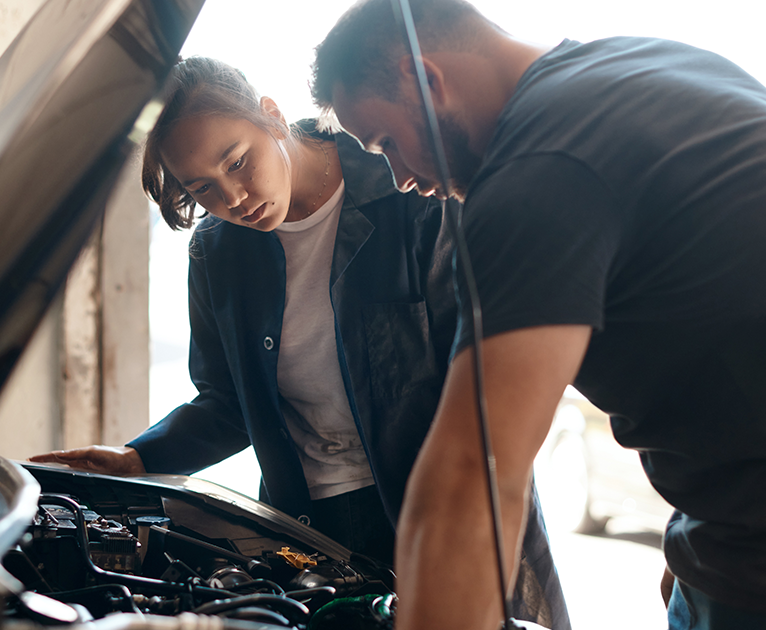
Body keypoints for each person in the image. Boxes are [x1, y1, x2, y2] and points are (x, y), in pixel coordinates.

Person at [309, 2, 766, 630]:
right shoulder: (637, 67)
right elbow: (745, 304)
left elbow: (472, 479)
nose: (398, 178)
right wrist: (690, 521)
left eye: (387, 142)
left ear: (426, 78)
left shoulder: (539, 170)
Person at [30, 57, 570, 629]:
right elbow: (228, 402)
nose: (233, 197)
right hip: (308, 526)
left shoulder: (408, 188)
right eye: (202, 189)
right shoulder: (219, 253)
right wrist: (143, 455)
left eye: (238, 162)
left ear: (272, 116)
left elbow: (484, 377)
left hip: (443, 511)